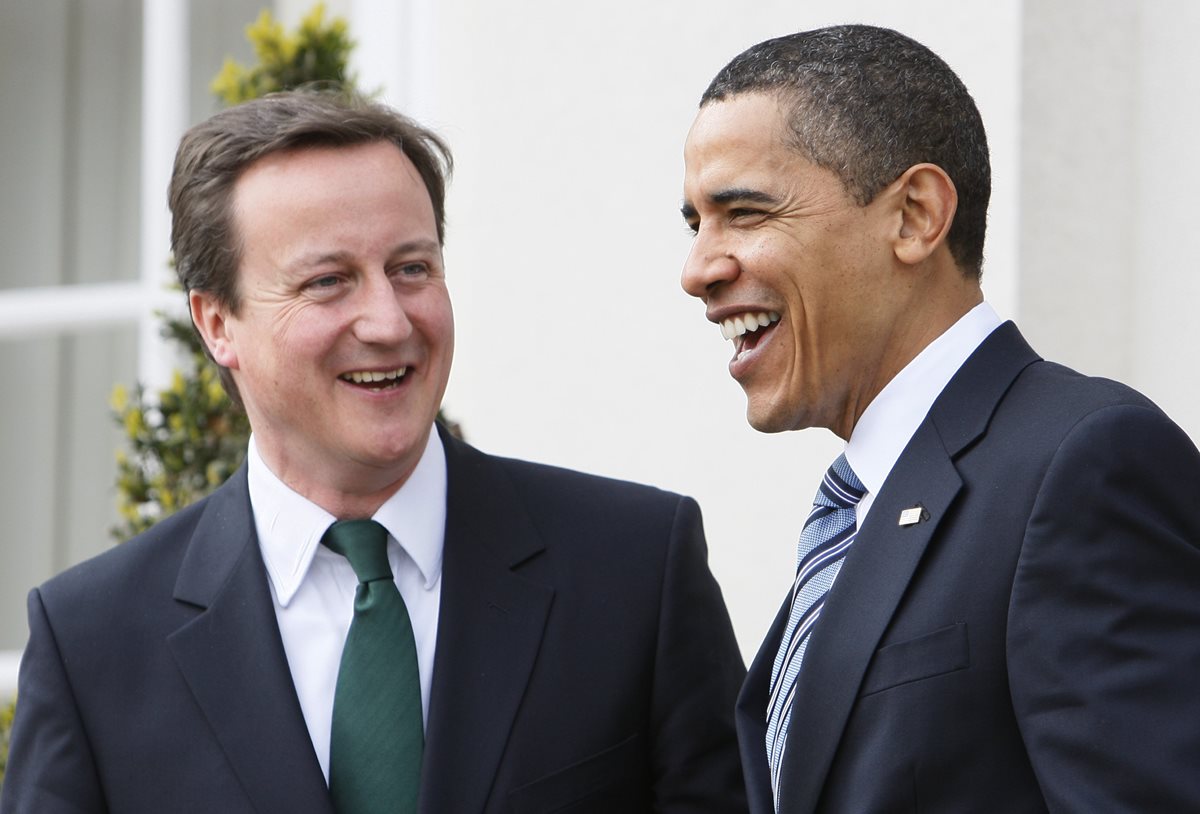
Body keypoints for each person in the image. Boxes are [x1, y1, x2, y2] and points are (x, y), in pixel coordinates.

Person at [1, 90, 747, 814]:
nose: (389, 322)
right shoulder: (92, 642)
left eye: (412, 268)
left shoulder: (634, 569)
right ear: (217, 323)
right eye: (328, 282)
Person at [679, 23, 1200, 814]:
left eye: (745, 212)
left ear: (916, 215)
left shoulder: (1081, 463)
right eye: (695, 223)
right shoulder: (862, 510)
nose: (698, 270)